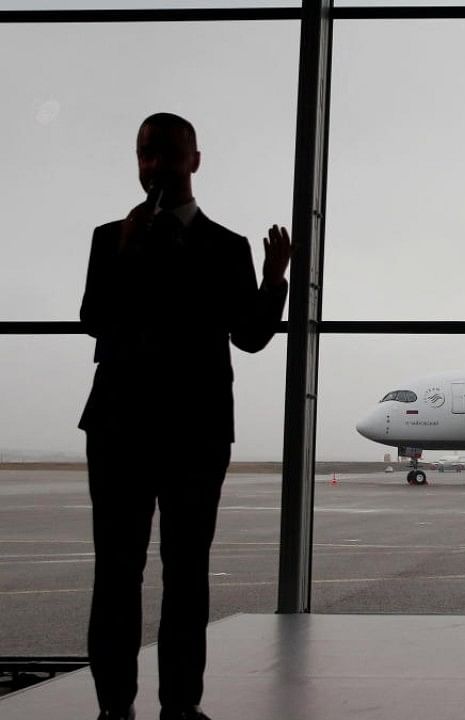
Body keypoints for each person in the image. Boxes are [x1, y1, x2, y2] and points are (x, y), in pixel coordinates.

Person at [79, 113, 291, 720]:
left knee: (187, 578)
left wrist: (274, 280)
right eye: (146, 154)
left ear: (194, 161)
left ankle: (180, 707)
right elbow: (94, 318)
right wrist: (126, 252)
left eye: (168, 155)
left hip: (195, 434)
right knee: (116, 577)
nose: (155, 167)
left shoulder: (228, 247)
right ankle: (114, 709)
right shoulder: (108, 238)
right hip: (120, 428)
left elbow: (249, 336)